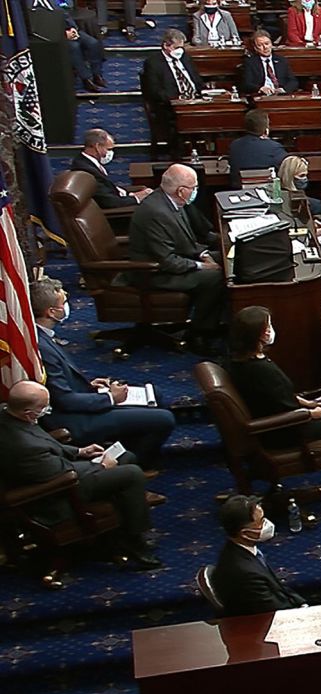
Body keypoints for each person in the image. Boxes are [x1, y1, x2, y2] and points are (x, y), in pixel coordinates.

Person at [0, 381, 160, 569]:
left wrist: (80, 451)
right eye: (44, 409)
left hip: (52, 470)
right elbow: (63, 475)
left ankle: (119, 528)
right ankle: (134, 540)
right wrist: (102, 467)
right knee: (131, 474)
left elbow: (45, 442)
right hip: (55, 494)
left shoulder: (7, 413)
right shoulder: (24, 447)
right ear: (28, 413)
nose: (47, 411)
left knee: (126, 456)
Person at [31, 278, 176, 469]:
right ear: (51, 312)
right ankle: (132, 466)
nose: (67, 305)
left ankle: (129, 449)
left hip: (77, 401)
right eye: (63, 302)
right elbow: (64, 400)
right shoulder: (42, 346)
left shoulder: (43, 335)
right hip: (72, 419)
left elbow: (58, 383)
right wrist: (110, 398)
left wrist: (89, 385)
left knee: (154, 394)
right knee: (164, 419)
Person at [225, 306, 321, 492]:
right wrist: (312, 414)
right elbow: (283, 407)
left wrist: (309, 403)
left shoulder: (241, 361)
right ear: (258, 335)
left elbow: (278, 396)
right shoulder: (260, 370)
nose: (271, 330)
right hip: (279, 430)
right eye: (267, 327)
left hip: (271, 419)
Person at [126, 164, 226, 355]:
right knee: (215, 278)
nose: (196, 191)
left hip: (173, 260)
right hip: (154, 273)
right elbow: (168, 261)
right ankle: (200, 333)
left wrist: (204, 256)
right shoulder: (157, 212)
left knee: (225, 259)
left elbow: (184, 242)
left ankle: (220, 319)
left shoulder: (171, 201)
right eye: (194, 187)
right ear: (181, 191)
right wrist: (202, 266)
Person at [210, 495, 307, 617]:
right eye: (261, 522)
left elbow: (277, 587)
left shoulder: (239, 549)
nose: (267, 524)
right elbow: (276, 614)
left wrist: (302, 603)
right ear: (245, 533)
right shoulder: (246, 574)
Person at [70, 129, 152, 208]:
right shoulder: (86, 169)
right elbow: (108, 201)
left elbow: (107, 190)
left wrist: (131, 194)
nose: (111, 153)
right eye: (108, 149)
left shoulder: (86, 162)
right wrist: (137, 198)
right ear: (97, 146)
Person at [38, 0, 106, 92]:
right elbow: (40, 23)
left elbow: (66, 14)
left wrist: (74, 28)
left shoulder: (58, 1)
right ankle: (86, 79)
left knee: (93, 43)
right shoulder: (32, 3)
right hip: (54, 34)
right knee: (74, 47)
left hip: (70, 29)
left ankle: (97, 75)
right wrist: (64, 33)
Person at [141, 29, 204, 105]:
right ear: (166, 46)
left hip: (196, 100)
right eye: (177, 48)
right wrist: (178, 99)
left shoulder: (185, 58)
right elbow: (155, 92)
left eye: (182, 48)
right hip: (172, 104)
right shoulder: (153, 63)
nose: (180, 51)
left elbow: (197, 81)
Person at [227, 110, 287, 188]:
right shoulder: (274, 147)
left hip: (240, 191)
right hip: (269, 192)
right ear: (266, 129)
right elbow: (287, 166)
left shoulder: (234, 145)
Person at [241, 30, 299, 95]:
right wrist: (260, 88)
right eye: (260, 45)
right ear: (255, 48)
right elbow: (246, 84)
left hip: (281, 95)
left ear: (271, 44)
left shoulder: (282, 60)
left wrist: (283, 90)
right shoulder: (250, 62)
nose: (265, 47)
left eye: (267, 43)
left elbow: (293, 81)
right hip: (262, 96)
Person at [279, 155, 321, 221]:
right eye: (302, 176)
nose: (305, 179)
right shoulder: (315, 205)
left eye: (306, 175)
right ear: (290, 177)